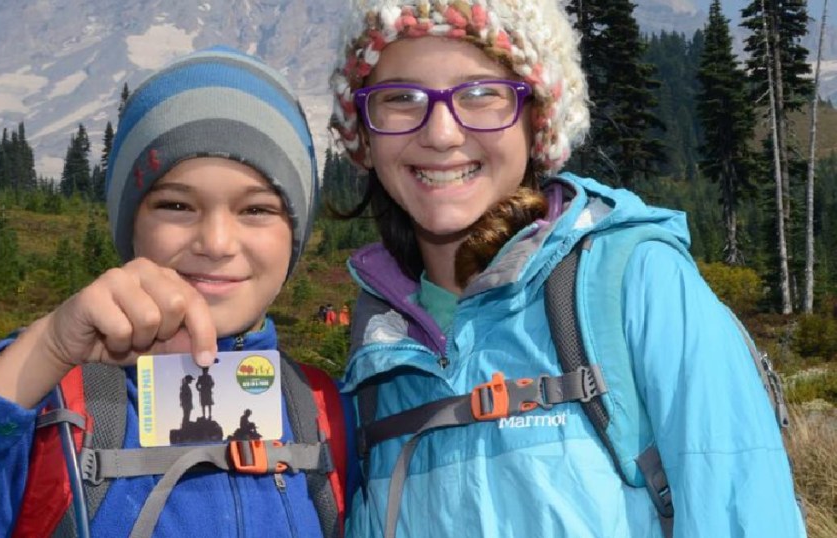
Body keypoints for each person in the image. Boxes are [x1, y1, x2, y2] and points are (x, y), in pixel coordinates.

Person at [0, 47, 344, 538]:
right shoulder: (45, 409)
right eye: (177, 206)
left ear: (294, 236)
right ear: (129, 224)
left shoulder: (324, 417)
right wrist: (42, 352)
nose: (217, 242)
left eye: (256, 209)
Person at [328, 1, 806, 536]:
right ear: (365, 135)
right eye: (400, 98)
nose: (441, 133)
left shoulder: (634, 283)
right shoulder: (377, 352)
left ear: (537, 119)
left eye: (482, 94)